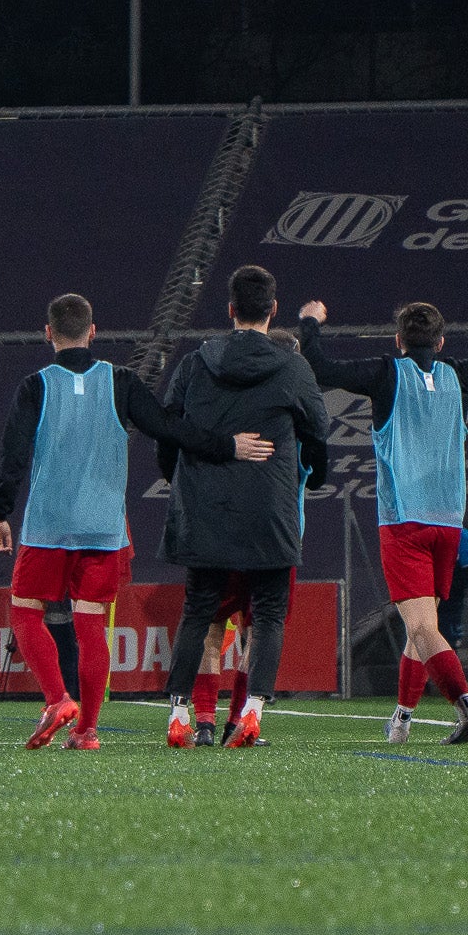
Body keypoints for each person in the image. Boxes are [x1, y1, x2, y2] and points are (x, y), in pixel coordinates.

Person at [0, 292, 271, 751]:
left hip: (47, 526)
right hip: (103, 529)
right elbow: (168, 427)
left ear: (48, 334)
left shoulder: (34, 386)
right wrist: (227, 445)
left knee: (25, 614)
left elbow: (13, 456)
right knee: (90, 625)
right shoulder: (120, 382)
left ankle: (58, 699)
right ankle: (87, 731)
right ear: (93, 331)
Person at [300, 298, 468, 744]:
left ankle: (467, 708)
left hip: (403, 521)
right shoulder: (459, 374)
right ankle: (403, 717)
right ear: (441, 341)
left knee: (424, 627)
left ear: (398, 341)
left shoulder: (386, 373)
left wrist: (311, 323)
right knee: (420, 625)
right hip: (449, 524)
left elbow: (319, 367)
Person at [159, 265, 330, 749]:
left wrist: (179, 478)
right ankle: (252, 714)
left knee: (198, 614)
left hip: (206, 507)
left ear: (230, 309)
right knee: (269, 615)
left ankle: (179, 716)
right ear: (273, 310)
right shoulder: (292, 367)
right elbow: (319, 427)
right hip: (270, 510)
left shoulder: (195, 363)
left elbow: (168, 429)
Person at [439, 528, 468, 648]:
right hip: (424, 601)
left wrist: (450, 585)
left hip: (449, 602)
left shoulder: (461, 536)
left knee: (447, 642)